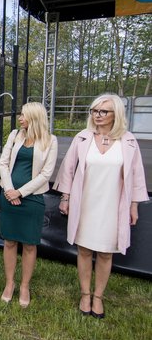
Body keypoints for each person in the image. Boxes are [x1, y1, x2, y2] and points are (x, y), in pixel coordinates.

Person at [53, 93, 148, 319]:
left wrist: (134, 205)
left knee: (106, 253)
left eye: (103, 111)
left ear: (116, 113)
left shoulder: (128, 140)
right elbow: (67, 169)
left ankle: (98, 297)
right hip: (85, 203)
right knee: (84, 250)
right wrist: (65, 198)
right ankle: (85, 294)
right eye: (95, 111)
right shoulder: (83, 137)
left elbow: (136, 175)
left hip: (113, 207)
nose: (97, 115)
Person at [0, 102, 58, 308]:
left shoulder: (50, 140)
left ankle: (24, 286)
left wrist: (21, 192)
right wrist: (9, 190)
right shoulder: (15, 135)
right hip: (8, 195)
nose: (20, 118)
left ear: (34, 117)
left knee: (30, 245)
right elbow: (3, 163)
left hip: (32, 198)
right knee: (9, 242)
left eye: (23, 115)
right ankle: (9, 283)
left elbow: (46, 174)